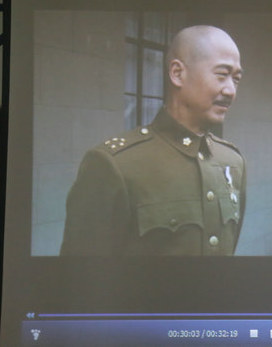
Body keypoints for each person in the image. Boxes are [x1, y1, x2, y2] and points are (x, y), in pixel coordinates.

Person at [60, 25, 246, 255]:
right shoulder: (114, 165)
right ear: (177, 73)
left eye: (236, 79)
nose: (230, 91)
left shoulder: (233, 162)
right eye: (222, 75)